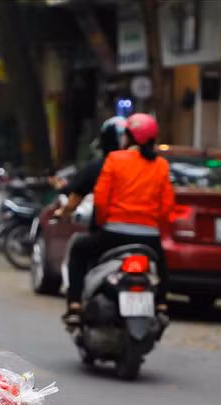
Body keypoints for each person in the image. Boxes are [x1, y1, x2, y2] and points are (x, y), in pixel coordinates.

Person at [63, 113, 173, 326]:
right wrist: (152, 225)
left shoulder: (115, 160)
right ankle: (161, 305)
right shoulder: (161, 166)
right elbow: (166, 206)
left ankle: (75, 304)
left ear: (129, 137)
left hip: (113, 234)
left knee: (78, 249)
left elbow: (102, 201)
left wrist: (103, 223)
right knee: (161, 265)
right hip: (149, 239)